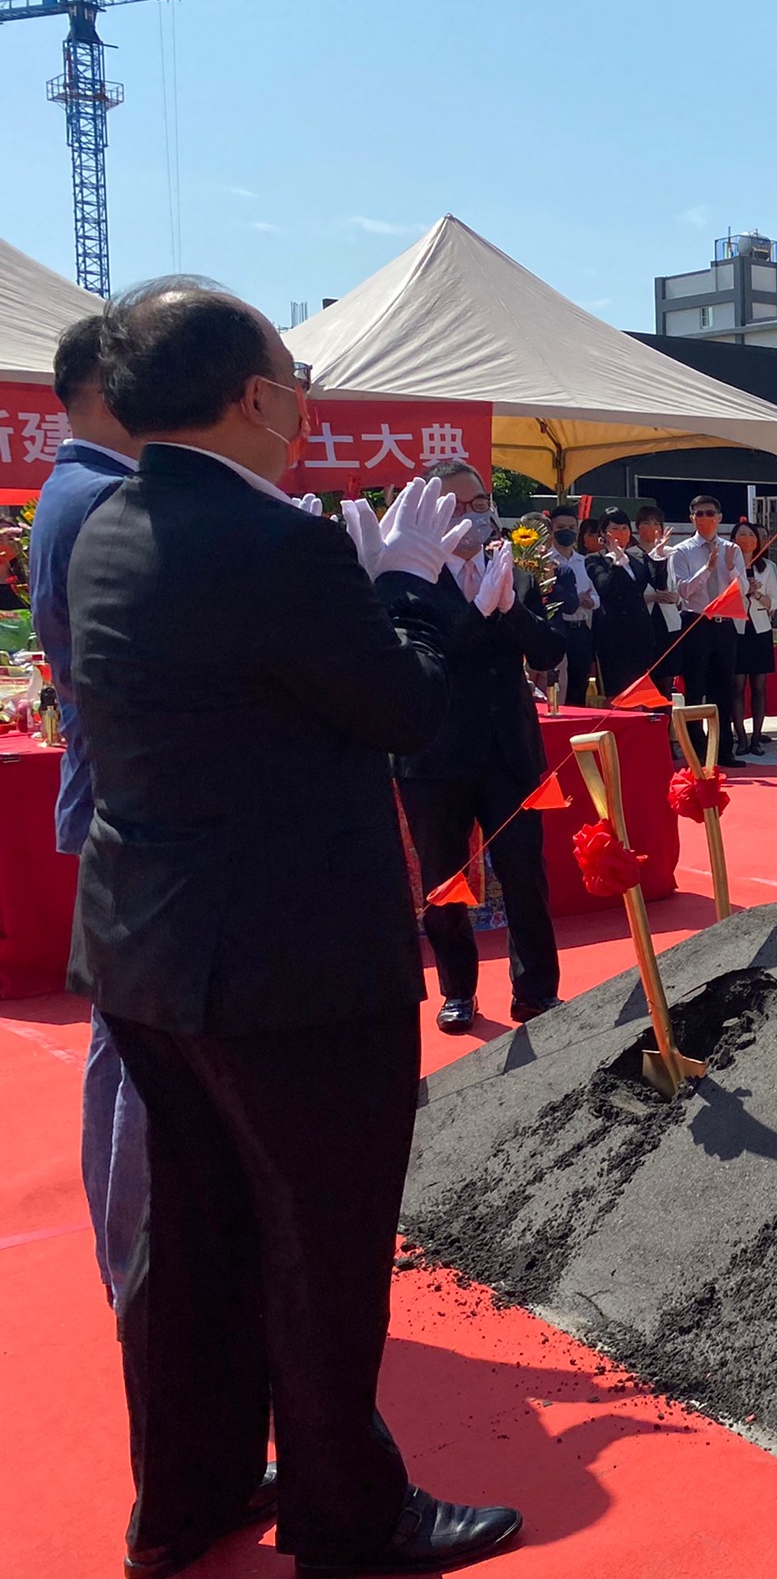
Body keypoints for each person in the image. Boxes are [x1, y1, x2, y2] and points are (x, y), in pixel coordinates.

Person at [69, 282, 520, 1577]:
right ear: (257, 395)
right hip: (291, 960)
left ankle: (189, 1492)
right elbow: (410, 710)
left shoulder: (106, 521)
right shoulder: (278, 545)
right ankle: (345, 1513)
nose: (307, 402)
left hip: (147, 946)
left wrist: (357, 594)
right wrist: (411, 591)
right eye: (295, 377)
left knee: (192, 1234)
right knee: (319, 1241)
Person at [33, 313, 147, 1317]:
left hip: (107, 788)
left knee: (127, 1042)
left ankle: (134, 1269)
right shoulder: (109, 497)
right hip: (132, 799)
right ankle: (142, 1276)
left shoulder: (69, 487)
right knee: (143, 1048)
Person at [396, 460, 568, 1035]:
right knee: (445, 879)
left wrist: (510, 607)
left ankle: (536, 990)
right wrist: (478, 613)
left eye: (479, 504)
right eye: (458, 506)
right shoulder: (409, 578)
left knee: (524, 873)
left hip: (508, 751)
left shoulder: (512, 569)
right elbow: (428, 660)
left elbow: (548, 652)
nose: (473, 516)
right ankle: (457, 990)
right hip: (436, 755)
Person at [666, 495, 746, 762]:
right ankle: (697, 752)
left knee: (723, 689)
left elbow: (743, 590)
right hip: (696, 623)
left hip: (724, 624)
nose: (704, 518)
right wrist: (708, 569)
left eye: (709, 513)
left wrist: (731, 568)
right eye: (698, 514)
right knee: (695, 688)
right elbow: (683, 590)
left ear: (719, 518)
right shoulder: (682, 550)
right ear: (692, 518)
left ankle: (723, 750)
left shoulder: (731, 549)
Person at [586, 508, 658, 702]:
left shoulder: (637, 559)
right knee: (616, 693)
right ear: (604, 533)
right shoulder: (595, 560)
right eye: (615, 528)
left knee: (641, 693)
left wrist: (660, 558)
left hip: (640, 635)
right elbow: (605, 588)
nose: (621, 533)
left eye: (625, 528)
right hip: (613, 637)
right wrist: (616, 562)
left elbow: (658, 582)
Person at [730, 519, 777, 755]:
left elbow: (775, 601)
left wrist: (757, 593)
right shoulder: (729, 565)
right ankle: (740, 737)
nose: (747, 540)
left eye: (751, 536)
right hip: (736, 629)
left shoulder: (767, 567)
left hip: (760, 630)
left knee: (759, 686)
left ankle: (757, 737)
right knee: (737, 687)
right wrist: (744, 589)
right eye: (742, 535)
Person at [544, 511, 598, 704]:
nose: (566, 531)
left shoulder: (584, 562)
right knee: (555, 684)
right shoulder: (545, 561)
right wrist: (573, 598)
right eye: (560, 527)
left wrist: (590, 601)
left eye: (571, 528)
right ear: (551, 530)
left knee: (579, 682)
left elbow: (595, 595)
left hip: (580, 629)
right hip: (557, 628)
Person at [635, 503, 684, 695]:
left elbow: (679, 585)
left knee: (667, 679)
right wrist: (651, 597)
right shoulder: (630, 554)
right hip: (643, 621)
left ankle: (667, 713)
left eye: (657, 524)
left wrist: (677, 597)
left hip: (668, 621)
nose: (652, 528)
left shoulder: (672, 553)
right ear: (638, 526)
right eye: (647, 523)